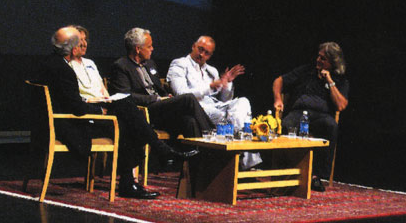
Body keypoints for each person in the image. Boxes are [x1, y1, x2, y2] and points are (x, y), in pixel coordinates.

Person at [37, 26, 198, 199]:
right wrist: (101, 110)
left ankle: (155, 156)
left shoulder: (49, 63)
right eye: (79, 42)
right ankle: (145, 165)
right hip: (71, 125)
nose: (83, 44)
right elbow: (76, 107)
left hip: (64, 120)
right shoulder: (64, 70)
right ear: (73, 48)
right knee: (127, 122)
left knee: (126, 110)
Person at [167, 35, 262, 170]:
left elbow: (225, 100)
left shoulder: (212, 71)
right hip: (197, 109)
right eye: (200, 49)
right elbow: (182, 94)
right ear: (193, 46)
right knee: (233, 118)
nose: (202, 54)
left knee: (243, 102)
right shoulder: (179, 64)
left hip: (216, 107)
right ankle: (246, 160)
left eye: (207, 53)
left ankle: (240, 154)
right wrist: (210, 86)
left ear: (210, 55)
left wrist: (227, 82)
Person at [108, 28, 214, 139]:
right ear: (138, 49)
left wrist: (166, 96)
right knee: (188, 98)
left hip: (160, 109)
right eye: (149, 46)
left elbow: (158, 88)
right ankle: (213, 135)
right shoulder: (121, 66)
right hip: (145, 111)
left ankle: (201, 155)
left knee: (189, 121)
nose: (152, 49)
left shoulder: (150, 64)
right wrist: (156, 98)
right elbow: (125, 96)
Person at [272, 42, 349, 192]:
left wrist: (330, 81)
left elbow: (340, 106)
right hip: (299, 112)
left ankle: (316, 176)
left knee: (331, 126)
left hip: (322, 116)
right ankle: (289, 173)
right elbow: (278, 81)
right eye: (318, 56)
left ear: (333, 62)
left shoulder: (340, 80)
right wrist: (278, 99)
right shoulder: (306, 71)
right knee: (287, 125)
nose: (318, 60)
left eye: (323, 59)